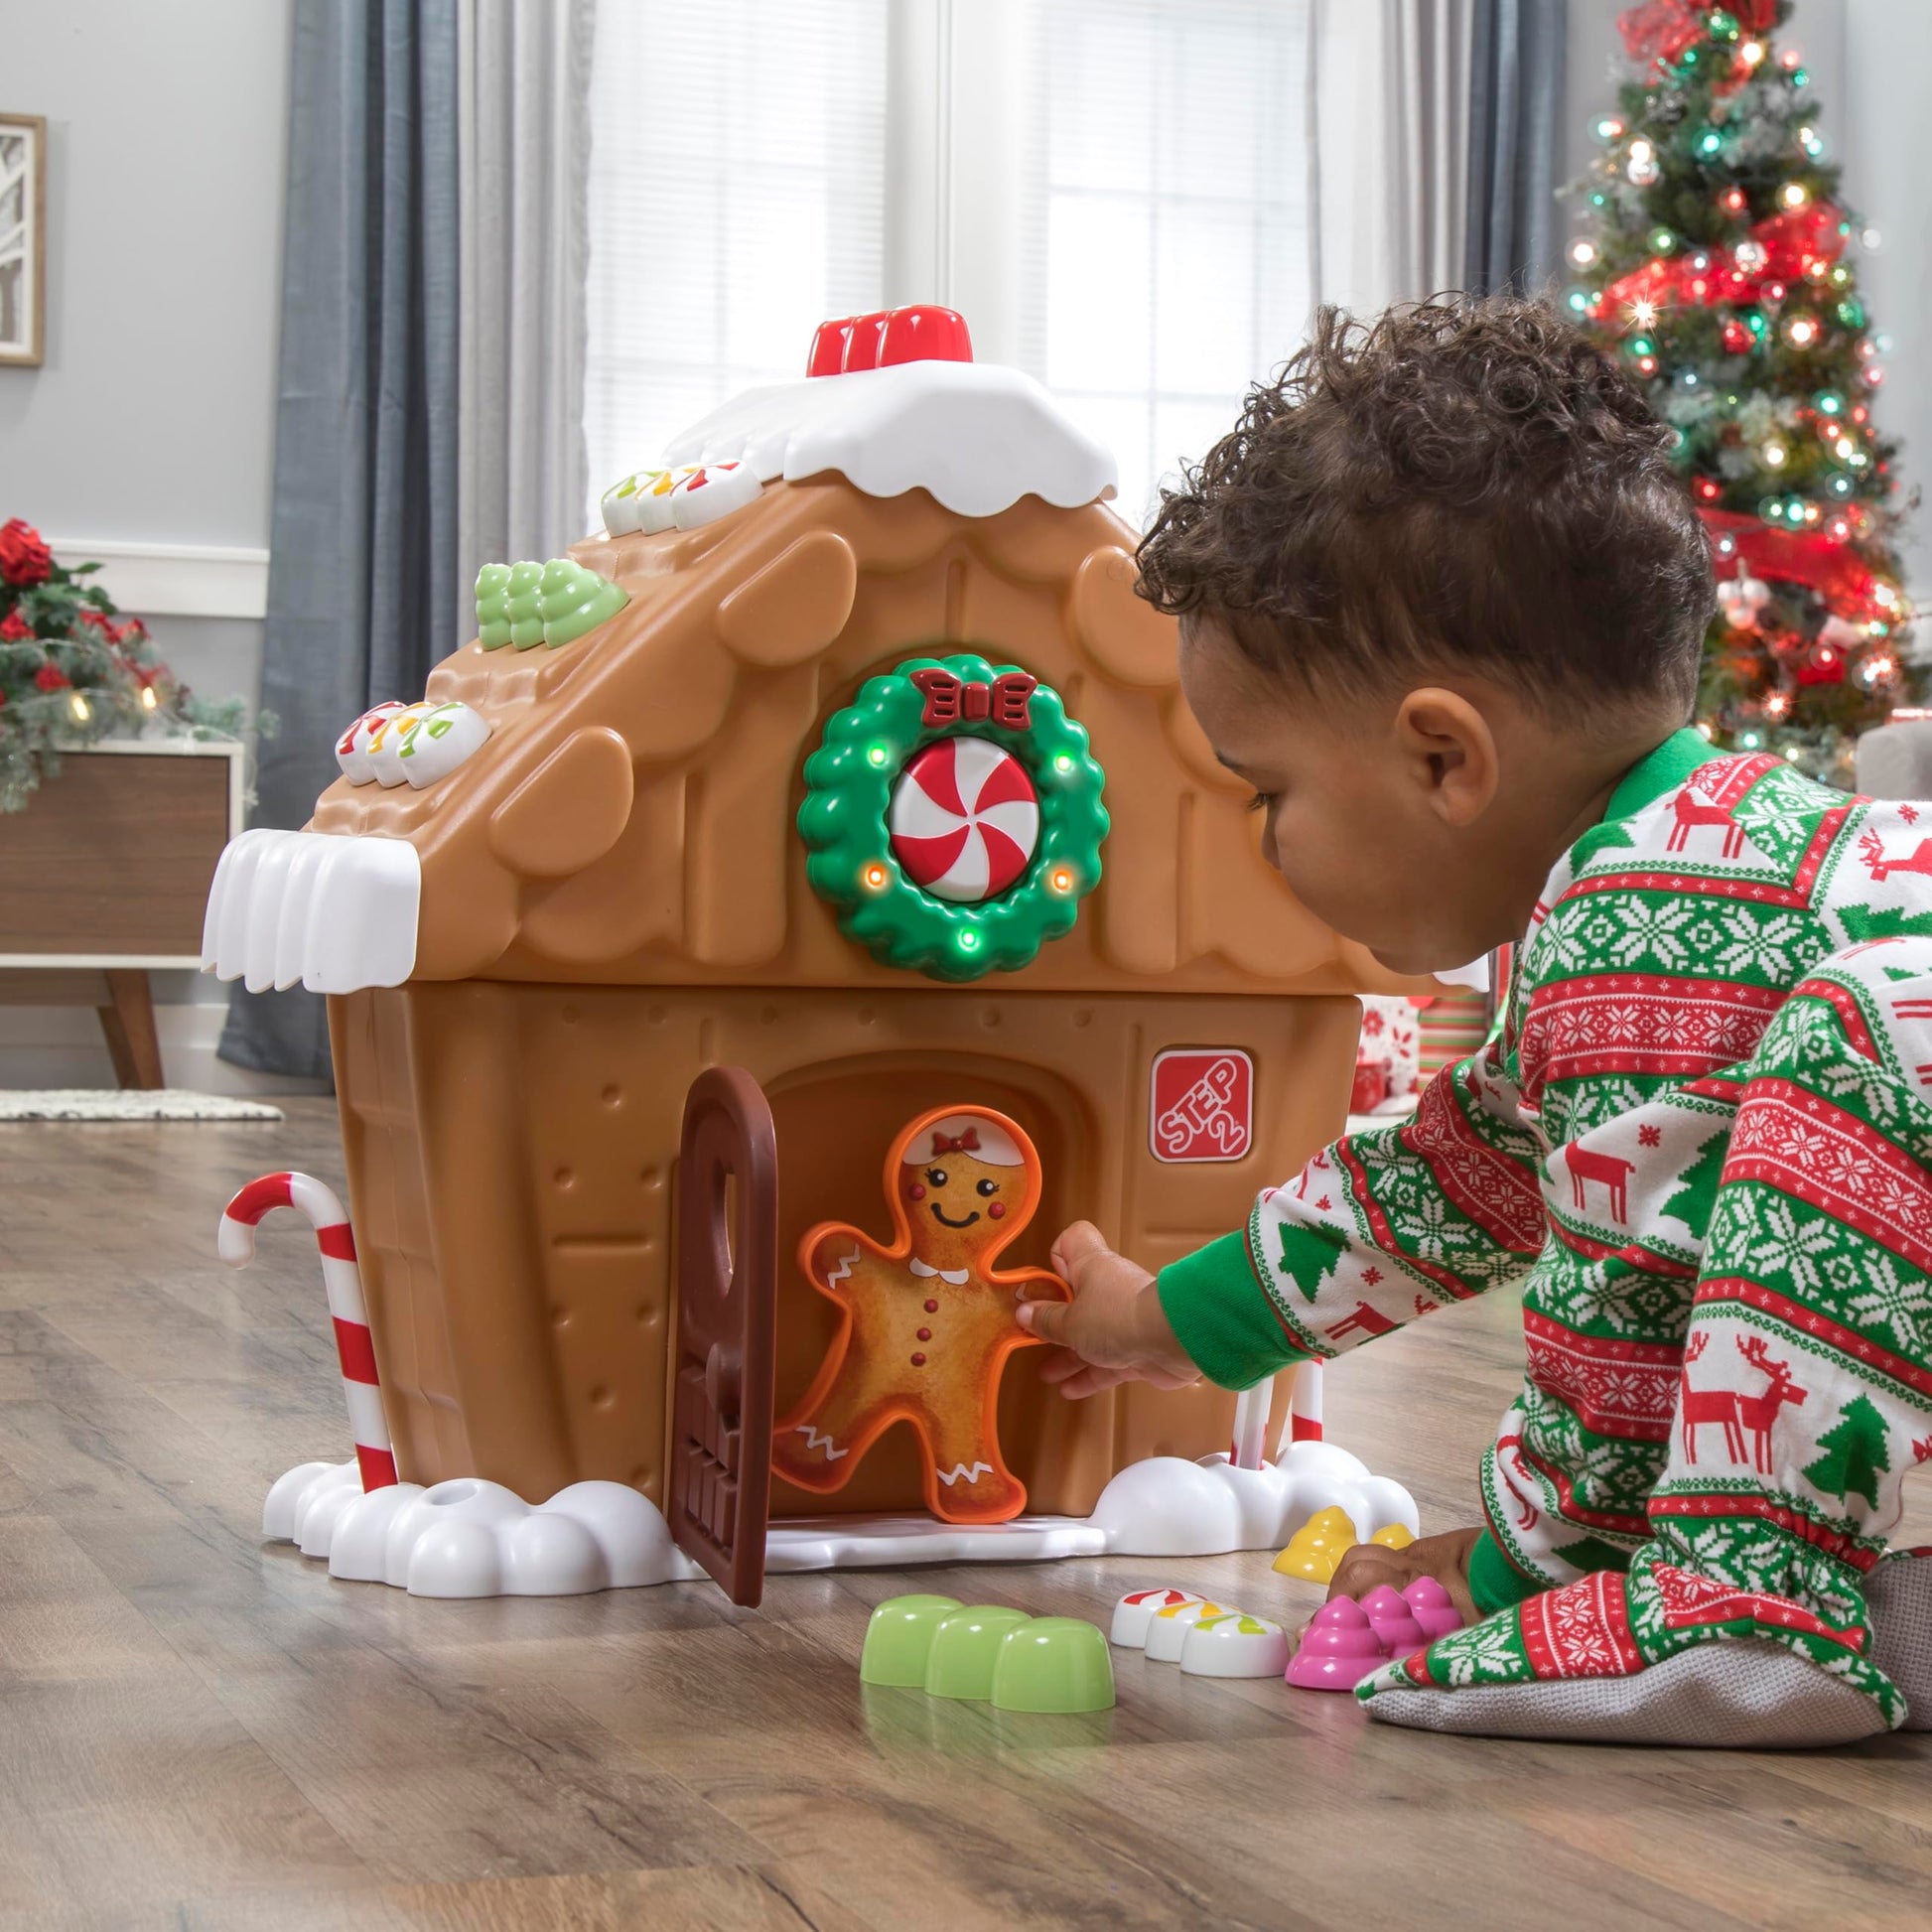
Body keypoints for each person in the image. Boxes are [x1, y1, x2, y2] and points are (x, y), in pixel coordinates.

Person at [1017, 295, 1932, 1747]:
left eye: (1269, 792)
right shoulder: (1667, 892)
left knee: (1889, 1024)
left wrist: (1528, 1572)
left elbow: (1626, 1321)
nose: (1264, 843)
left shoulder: (1644, 918)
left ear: (1443, 757)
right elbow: (1447, 1178)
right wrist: (1160, 1323)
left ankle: (1744, 1621)